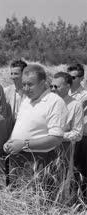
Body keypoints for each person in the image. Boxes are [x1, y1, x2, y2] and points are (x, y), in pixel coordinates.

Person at [4, 64, 68, 193]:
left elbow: (56, 138)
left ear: (43, 83)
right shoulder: (26, 100)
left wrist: (24, 144)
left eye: (30, 84)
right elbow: (20, 125)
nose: (26, 89)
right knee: (16, 201)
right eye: (24, 84)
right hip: (17, 160)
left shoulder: (54, 102)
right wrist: (10, 141)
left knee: (35, 202)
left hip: (39, 162)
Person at [50, 72, 83, 201]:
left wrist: (58, 136)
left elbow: (78, 133)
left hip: (63, 149)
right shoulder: (46, 103)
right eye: (51, 86)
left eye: (56, 86)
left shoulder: (75, 105)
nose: (53, 89)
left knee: (60, 182)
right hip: (43, 148)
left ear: (68, 86)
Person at [67, 63, 87, 200]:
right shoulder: (61, 92)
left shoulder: (85, 96)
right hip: (63, 137)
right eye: (68, 77)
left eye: (73, 77)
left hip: (79, 139)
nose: (69, 80)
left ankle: (80, 201)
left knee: (79, 171)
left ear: (81, 78)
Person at [4, 59, 27, 131]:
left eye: (16, 74)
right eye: (12, 73)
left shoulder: (32, 93)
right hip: (10, 130)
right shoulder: (6, 91)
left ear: (24, 74)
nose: (13, 77)